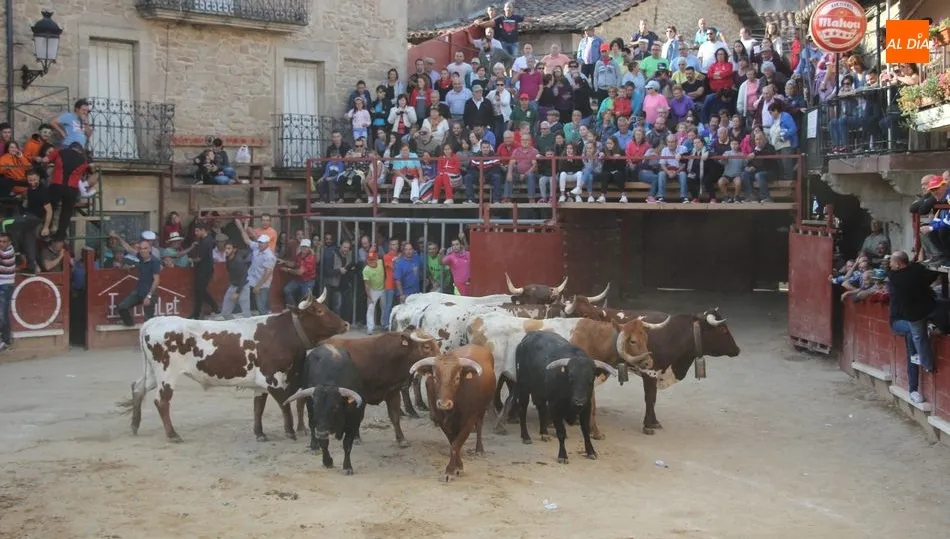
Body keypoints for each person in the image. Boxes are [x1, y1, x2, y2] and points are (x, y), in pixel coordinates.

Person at [887, 251, 938, 405]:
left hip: (911, 315)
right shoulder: (911, 273)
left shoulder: (896, 277)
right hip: (900, 320)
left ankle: (915, 384)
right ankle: (913, 388)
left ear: (897, 264)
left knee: (914, 336)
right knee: (912, 336)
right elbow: (925, 271)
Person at [116, 240, 161, 327]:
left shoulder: (154, 262)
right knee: (122, 307)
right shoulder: (141, 257)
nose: (142, 250)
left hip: (149, 294)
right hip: (139, 291)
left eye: (145, 248)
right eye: (140, 248)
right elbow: (129, 249)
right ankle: (130, 324)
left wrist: (149, 296)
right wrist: (117, 237)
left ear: (150, 249)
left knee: (149, 322)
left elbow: (156, 280)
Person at [189, 223, 219, 319]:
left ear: (203, 230)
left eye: (197, 230)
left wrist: (190, 260)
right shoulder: (205, 240)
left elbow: (199, 258)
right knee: (199, 291)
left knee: (200, 291)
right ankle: (198, 312)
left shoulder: (206, 242)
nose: (196, 233)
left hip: (204, 269)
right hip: (203, 269)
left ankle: (213, 306)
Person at [280, 238, 317, 308]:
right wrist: (284, 262)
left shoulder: (310, 258)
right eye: (302, 246)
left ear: (309, 248)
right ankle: (293, 308)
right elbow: (295, 264)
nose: (303, 248)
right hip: (299, 279)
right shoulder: (300, 255)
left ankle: (303, 315)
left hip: (307, 282)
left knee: (304, 300)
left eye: (305, 247)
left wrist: (287, 269)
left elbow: (299, 272)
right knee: (287, 290)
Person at [219, 242, 251, 318]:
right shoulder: (227, 258)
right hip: (233, 286)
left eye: (229, 248)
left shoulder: (239, 261)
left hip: (243, 287)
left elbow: (244, 277)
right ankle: (233, 328)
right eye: (225, 248)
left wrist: (237, 292)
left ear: (234, 250)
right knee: (225, 313)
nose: (226, 250)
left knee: (246, 314)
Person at [362, 251, 385, 333]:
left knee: (384, 307)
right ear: (367, 260)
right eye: (369, 260)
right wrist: (369, 296)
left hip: (384, 288)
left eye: (373, 259)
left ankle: (384, 325)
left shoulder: (381, 263)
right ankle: (370, 328)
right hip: (373, 290)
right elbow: (367, 285)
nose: (371, 261)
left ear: (377, 259)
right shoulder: (366, 270)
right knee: (370, 308)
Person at [0, 233, 15, 352]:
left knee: (2, 314)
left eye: (4, 241)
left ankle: (5, 340)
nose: (2, 244)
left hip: (5, 286)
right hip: (3, 285)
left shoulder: (8, 252)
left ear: (9, 243)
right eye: (0, 241)